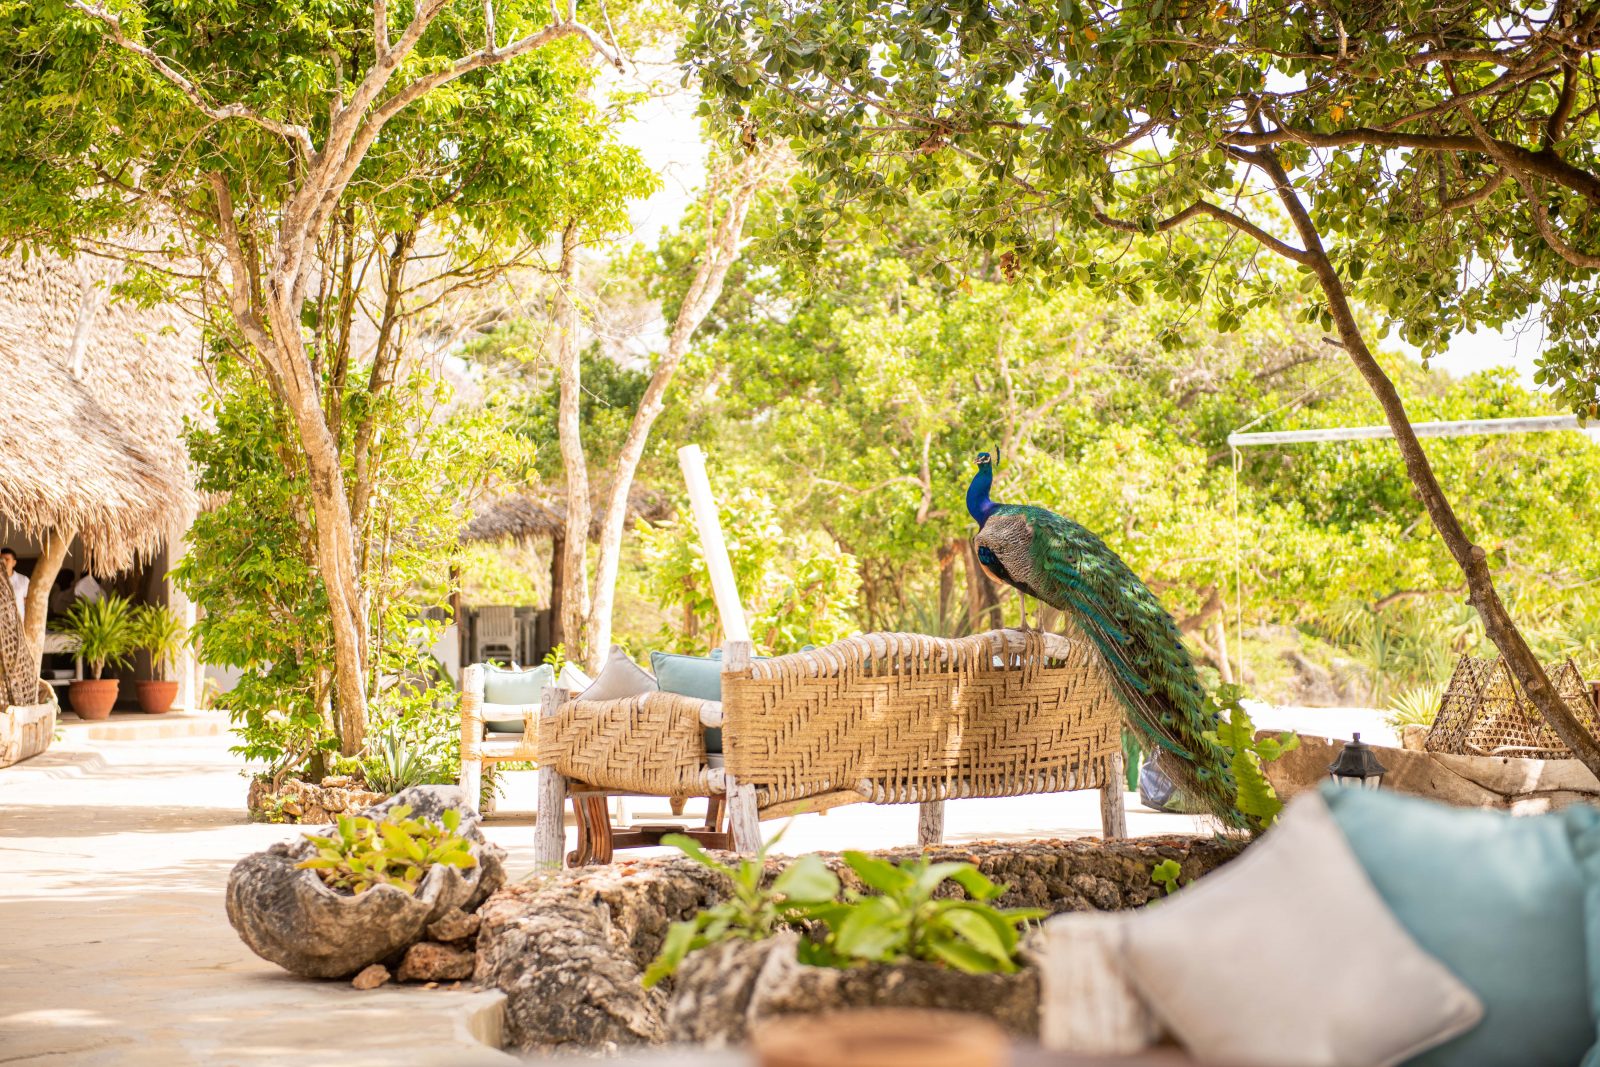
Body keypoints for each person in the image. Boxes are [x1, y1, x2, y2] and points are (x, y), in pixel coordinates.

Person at [0, 548, 27, 619]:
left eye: (7, 559)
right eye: (1, 560)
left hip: (17, 623)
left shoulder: (23, 580)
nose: (3, 562)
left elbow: (27, 601)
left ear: (14, 563)